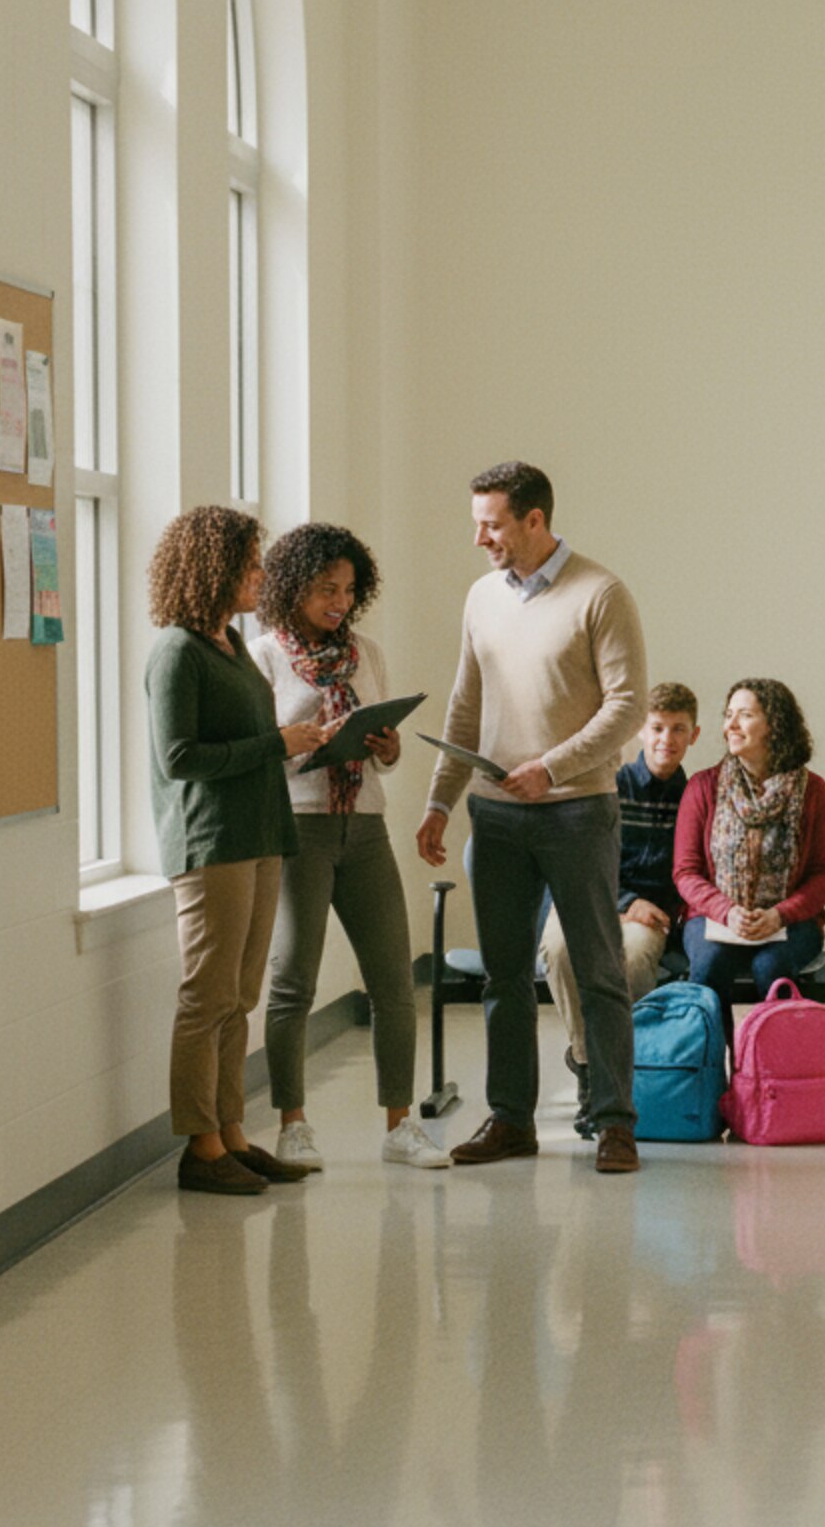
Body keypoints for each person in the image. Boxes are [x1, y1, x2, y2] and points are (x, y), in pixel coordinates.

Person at [416, 462, 648, 1174]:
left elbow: (627, 707)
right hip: (497, 821)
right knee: (504, 977)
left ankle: (613, 1123)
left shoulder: (600, 593)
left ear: (535, 521)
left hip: (578, 813)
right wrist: (438, 801)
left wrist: (551, 768)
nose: (481, 538)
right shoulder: (482, 597)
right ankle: (511, 1120)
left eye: (492, 524)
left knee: (598, 970)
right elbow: (465, 705)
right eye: (477, 523)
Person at [145, 505, 335, 1196]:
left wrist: (300, 740)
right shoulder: (176, 652)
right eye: (252, 563)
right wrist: (273, 744)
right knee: (208, 995)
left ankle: (230, 1132)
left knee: (240, 995)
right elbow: (179, 757)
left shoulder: (227, 641)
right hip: (211, 840)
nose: (262, 575)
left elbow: (253, 741)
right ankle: (200, 1146)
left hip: (259, 835)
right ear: (215, 568)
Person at [252, 523, 451, 1172]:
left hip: (364, 827)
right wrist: (305, 737)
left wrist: (386, 749)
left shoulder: (365, 651)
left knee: (393, 981)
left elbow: (382, 747)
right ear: (291, 588)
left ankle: (400, 1125)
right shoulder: (263, 657)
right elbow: (258, 756)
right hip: (298, 829)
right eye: (324, 590)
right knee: (292, 984)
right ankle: (293, 1125)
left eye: (347, 589)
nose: (339, 601)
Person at [541, 683, 701, 1110]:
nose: (666, 739)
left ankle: (626, 1070)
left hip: (649, 916)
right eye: (658, 728)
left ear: (694, 735)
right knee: (559, 950)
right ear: (640, 732)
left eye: (678, 729)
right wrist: (626, 900)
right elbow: (582, 856)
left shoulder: (695, 796)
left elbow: (689, 872)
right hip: (588, 895)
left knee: (630, 961)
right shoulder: (609, 784)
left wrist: (647, 908)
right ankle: (587, 1062)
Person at [672, 679, 825, 1022]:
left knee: (772, 966)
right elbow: (686, 872)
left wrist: (779, 914)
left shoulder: (813, 791)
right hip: (714, 920)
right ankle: (710, 1069)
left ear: (774, 726)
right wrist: (728, 911)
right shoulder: (703, 787)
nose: (730, 725)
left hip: (791, 923)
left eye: (744, 715)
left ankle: (774, 1072)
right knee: (709, 962)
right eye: (728, 715)